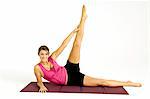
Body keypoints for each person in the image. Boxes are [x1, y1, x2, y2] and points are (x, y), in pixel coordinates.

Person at [34, 5, 142, 93]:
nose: (44, 56)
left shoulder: (52, 58)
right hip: (72, 80)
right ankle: (128, 83)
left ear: (48, 54)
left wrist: (73, 32)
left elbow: (63, 45)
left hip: (69, 68)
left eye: (45, 54)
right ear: (39, 55)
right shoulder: (38, 68)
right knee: (103, 82)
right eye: (42, 54)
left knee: (77, 45)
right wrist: (41, 86)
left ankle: (83, 20)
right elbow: (39, 81)